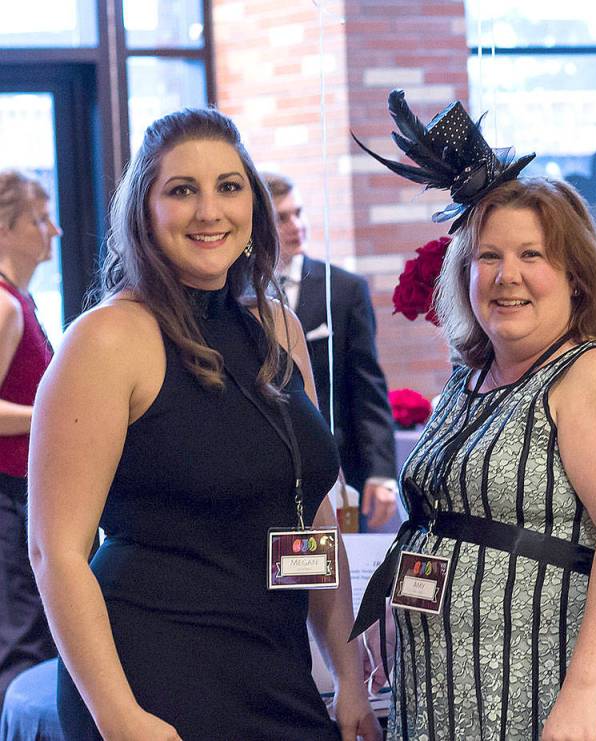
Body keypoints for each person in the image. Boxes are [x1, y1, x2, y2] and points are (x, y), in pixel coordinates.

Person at [351, 91, 596, 740]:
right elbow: (444, 526)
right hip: (456, 702)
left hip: (569, 706)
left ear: (575, 275)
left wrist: (584, 695)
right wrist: (395, 608)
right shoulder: (470, 380)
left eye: (531, 256)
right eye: (489, 256)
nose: (506, 275)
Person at [27, 108, 379, 740]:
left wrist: (347, 672)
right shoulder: (108, 339)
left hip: (274, 667)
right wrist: (119, 717)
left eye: (229, 185)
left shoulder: (278, 328)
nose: (209, 210)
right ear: (145, 211)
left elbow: (312, 515)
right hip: (152, 671)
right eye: (181, 190)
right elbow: (55, 553)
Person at [262, 172, 398, 531]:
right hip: (264, 479)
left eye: (299, 213)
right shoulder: (236, 295)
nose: (297, 225)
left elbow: (367, 388)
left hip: (338, 472)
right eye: (282, 217)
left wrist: (381, 472)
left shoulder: (343, 289)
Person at [0, 170, 60, 705]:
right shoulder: (4, 305)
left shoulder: (20, 300)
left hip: (21, 493)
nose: (55, 231)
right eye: (41, 219)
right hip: (6, 496)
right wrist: (56, 412)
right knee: (20, 644)